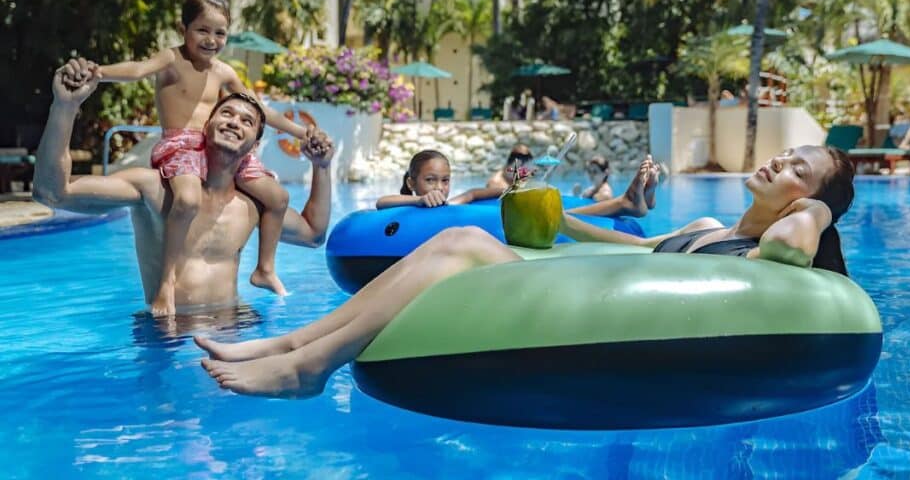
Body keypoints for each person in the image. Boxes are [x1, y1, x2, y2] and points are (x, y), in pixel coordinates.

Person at [196, 145, 854, 398]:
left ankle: (308, 367)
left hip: (608, 326)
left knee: (458, 244)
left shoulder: (778, 242)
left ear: (805, 201)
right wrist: (559, 217)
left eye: (797, 170)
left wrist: (820, 207)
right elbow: (626, 248)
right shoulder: (706, 228)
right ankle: (292, 347)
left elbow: (792, 247)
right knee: (458, 237)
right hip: (589, 295)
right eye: (787, 154)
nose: (779, 162)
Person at [35, 59, 335, 318]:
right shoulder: (154, 190)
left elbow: (313, 235)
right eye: (226, 114)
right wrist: (65, 107)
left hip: (235, 328)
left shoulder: (252, 206)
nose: (234, 122)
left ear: (254, 147)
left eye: (247, 121)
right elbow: (52, 193)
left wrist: (321, 167)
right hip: (167, 334)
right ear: (205, 128)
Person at [79, 0, 309, 306]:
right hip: (182, 147)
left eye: (220, 33)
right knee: (187, 200)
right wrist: (97, 73)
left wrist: (301, 132)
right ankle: (168, 281)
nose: (211, 40)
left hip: (215, 150)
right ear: (183, 28)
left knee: (278, 197)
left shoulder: (224, 72)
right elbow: (136, 70)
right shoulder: (171, 59)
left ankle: (265, 269)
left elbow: (260, 109)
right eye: (202, 30)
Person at [376, 150, 502, 209]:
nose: (439, 187)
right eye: (430, 180)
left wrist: (508, 190)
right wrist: (419, 200)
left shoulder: (450, 205)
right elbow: (381, 202)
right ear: (411, 184)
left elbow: (472, 194)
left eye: (445, 180)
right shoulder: (406, 206)